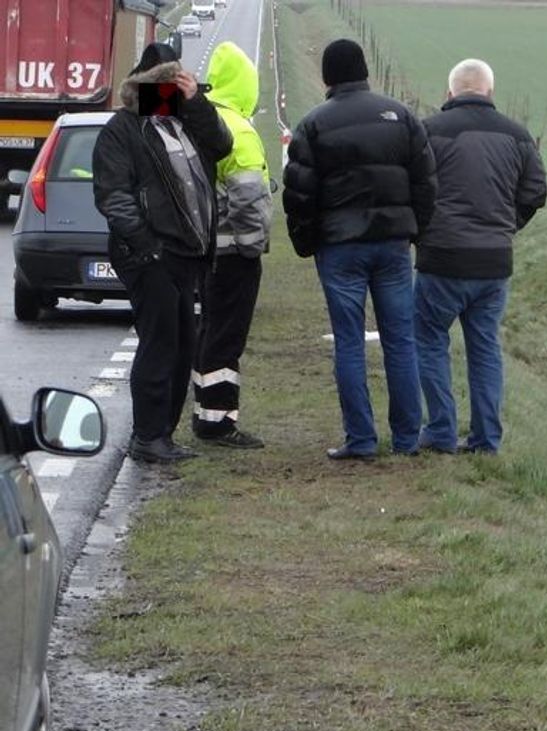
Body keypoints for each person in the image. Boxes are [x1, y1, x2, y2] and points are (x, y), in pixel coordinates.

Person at [283, 39, 437, 459]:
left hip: (340, 246)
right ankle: (407, 439)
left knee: (349, 342)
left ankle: (362, 439)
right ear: (365, 70)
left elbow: (299, 193)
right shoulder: (402, 116)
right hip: (391, 244)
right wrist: (415, 230)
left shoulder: (314, 124)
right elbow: (426, 182)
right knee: (400, 340)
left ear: (327, 77)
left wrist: (306, 241)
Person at [93, 42, 232, 464]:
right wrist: (146, 247)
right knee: (160, 343)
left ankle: (162, 435)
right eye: (160, 87)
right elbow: (114, 196)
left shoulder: (184, 121)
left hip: (187, 252)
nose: (166, 95)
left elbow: (221, 146)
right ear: (142, 87)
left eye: (173, 86)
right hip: (148, 254)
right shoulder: (122, 130)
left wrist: (198, 102)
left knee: (182, 344)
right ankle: (147, 436)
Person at [414, 58, 547, 455]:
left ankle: (440, 429)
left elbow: (413, 188)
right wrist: (507, 225)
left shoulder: (428, 132)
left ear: (450, 91)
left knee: (428, 339)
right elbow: (535, 192)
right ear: (490, 91)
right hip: (494, 262)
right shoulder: (517, 135)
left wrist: (423, 230)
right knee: (485, 347)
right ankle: (487, 438)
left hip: (441, 259)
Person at [191, 41, 273, 449]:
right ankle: (218, 422)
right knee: (227, 336)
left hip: (204, 251)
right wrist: (253, 246)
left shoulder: (201, 119)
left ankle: (203, 411)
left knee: (208, 330)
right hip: (233, 252)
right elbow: (248, 197)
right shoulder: (238, 128)